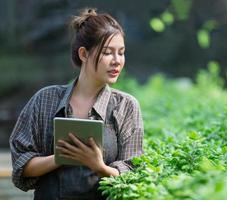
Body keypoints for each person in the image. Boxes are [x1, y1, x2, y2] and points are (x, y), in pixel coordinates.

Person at [9, 8, 144, 200]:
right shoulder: (44, 100)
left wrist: (99, 166)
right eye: (107, 53)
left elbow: (135, 176)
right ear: (84, 54)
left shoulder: (126, 106)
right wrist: (59, 157)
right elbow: (21, 165)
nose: (117, 61)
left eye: (121, 53)